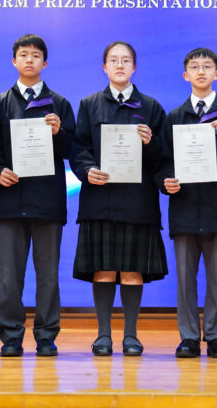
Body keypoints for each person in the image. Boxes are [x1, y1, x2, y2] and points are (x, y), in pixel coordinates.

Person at [69, 41, 169, 357]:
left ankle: (130, 336)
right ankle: (102, 335)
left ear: (134, 67)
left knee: (131, 270)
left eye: (126, 60)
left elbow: (163, 157)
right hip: (99, 199)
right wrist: (88, 170)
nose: (120, 65)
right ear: (104, 67)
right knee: (102, 269)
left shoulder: (151, 107)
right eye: (113, 60)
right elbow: (78, 148)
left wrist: (151, 143)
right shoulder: (89, 104)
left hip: (138, 201)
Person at [0, 34, 75, 358]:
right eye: (23, 54)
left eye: (36, 55)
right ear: (14, 61)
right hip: (9, 201)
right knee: (8, 276)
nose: (29, 60)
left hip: (47, 201)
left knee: (48, 275)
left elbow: (73, 150)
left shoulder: (59, 104)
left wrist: (59, 133)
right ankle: (11, 336)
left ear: (45, 63)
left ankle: (46, 336)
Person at [161, 48, 217, 359]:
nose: (201, 71)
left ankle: (216, 336)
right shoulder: (175, 116)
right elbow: (162, 161)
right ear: (185, 75)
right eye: (195, 67)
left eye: (207, 66)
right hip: (184, 207)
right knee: (185, 279)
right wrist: (165, 180)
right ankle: (188, 336)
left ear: (216, 74)